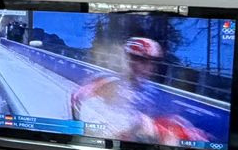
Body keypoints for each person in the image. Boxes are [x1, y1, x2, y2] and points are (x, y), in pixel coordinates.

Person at [66, 35, 210, 144]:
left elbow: (162, 120)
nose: (148, 68)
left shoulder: (151, 91)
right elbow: (77, 98)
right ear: (128, 60)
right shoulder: (109, 83)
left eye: (152, 62)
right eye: (141, 60)